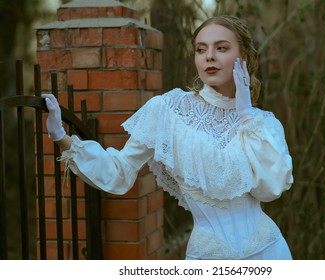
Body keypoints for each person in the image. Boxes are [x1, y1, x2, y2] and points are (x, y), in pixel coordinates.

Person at [42, 15, 294, 260]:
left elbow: (271, 188)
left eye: (222, 48)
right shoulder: (168, 111)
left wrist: (245, 114)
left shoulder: (262, 123)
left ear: (243, 58)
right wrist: (61, 136)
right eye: (201, 49)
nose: (209, 56)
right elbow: (119, 172)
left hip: (270, 253)